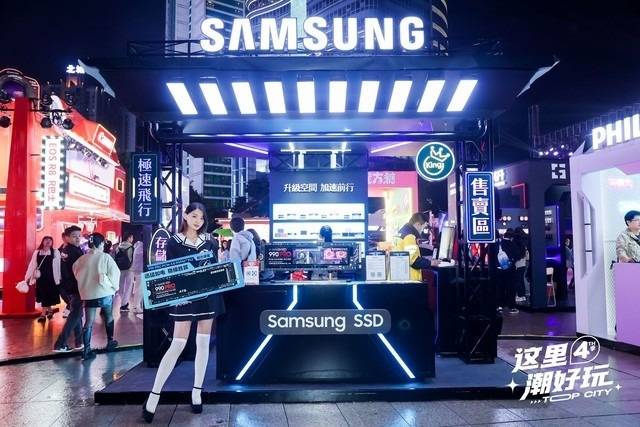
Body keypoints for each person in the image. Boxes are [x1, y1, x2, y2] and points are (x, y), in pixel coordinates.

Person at [143, 202, 221, 422]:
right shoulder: (173, 242)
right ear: (185, 216)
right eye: (194, 216)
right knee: (177, 344)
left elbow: (215, 269)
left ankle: (197, 392)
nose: (198, 221)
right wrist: (179, 293)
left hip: (207, 297)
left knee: (203, 343)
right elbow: (170, 272)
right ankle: (154, 396)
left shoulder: (210, 242)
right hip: (184, 298)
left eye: (201, 218)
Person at [73, 232, 120, 360]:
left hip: (88, 294)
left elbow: (76, 273)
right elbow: (115, 273)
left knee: (89, 321)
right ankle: (110, 341)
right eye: (103, 242)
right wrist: (115, 288)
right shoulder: (105, 257)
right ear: (100, 243)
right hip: (105, 293)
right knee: (109, 316)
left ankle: (87, 350)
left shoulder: (81, 259)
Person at [53, 226, 85, 352]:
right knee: (75, 315)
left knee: (77, 314)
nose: (78, 238)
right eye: (74, 236)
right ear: (66, 237)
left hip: (68, 287)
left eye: (79, 236)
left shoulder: (65, 250)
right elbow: (80, 271)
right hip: (76, 287)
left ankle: (79, 342)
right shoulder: (74, 251)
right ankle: (60, 344)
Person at [25, 236, 61, 322]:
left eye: (50, 240)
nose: (48, 242)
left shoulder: (55, 252)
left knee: (47, 295)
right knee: (44, 295)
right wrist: (27, 277)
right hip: (41, 278)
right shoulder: (37, 252)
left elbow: (59, 265)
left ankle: (44, 313)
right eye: (46, 240)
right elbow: (32, 265)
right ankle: (47, 312)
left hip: (52, 278)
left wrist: (60, 278)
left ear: (52, 242)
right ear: (42, 241)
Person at [396, 212, 439, 281]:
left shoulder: (401, 233)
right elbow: (413, 261)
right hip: (410, 279)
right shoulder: (409, 236)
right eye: (423, 227)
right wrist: (431, 263)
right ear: (418, 224)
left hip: (400, 276)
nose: (422, 231)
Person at [499, 229, 519, 314]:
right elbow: (517, 255)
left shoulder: (499, 244)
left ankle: (500, 305)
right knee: (511, 287)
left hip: (500, 269)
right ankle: (511, 306)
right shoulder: (512, 244)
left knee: (501, 287)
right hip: (511, 269)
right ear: (511, 237)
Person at [115, 233, 135, 312]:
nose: (132, 239)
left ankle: (123, 302)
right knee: (128, 287)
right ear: (129, 238)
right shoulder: (131, 247)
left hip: (120, 269)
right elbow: (133, 259)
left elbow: (115, 258)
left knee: (121, 286)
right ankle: (124, 304)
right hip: (129, 269)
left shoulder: (118, 247)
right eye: (132, 237)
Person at [513, 227, 529, 303]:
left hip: (518, 263)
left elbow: (516, 254)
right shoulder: (525, 240)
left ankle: (520, 295)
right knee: (522, 279)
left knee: (518, 280)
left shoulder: (516, 241)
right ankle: (524, 295)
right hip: (524, 262)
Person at [130, 240, 145, 314]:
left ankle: (136, 306)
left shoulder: (138, 246)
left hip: (138, 270)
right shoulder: (141, 247)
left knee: (138, 288)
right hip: (140, 270)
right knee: (139, 289)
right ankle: (136, 306)